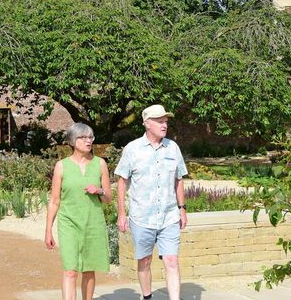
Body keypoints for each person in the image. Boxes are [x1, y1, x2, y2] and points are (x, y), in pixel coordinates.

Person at [114, 104, 189, 300]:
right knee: (145, 261)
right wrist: (122, 213)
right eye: (160, 121)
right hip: (142, 217)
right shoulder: (132, 149)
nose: (164, 125)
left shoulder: (173, 148)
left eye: (166, 121)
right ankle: (147, 297)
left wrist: (182, 209)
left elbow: (178, 180)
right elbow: (121, 181)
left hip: (169, 216)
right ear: (147, 123)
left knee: (171, 261)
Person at [44, 122, 112, 300]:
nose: (89, 141)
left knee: (89, 269)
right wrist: (48, 230)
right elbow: (54, 201)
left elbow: (108, 198)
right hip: (69, 223)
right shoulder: (62, 166)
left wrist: (99, 191)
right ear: (73, 141)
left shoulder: (100, 164)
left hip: (93, 223)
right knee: (70, 270)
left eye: (91, 137)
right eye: (84, 137)